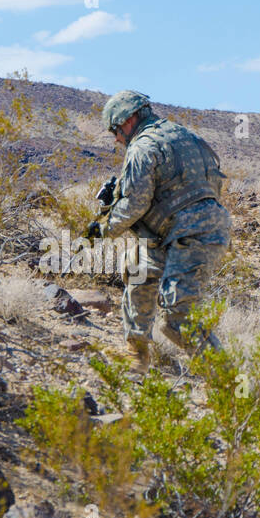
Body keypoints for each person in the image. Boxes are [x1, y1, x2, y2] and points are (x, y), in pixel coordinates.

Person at [86, 90, 231, 367]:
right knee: (137, 270)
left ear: (128, 120)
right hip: (189, 231)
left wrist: (103, 230)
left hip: (191, 236)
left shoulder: (142, 146)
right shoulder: (185, 136)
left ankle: (230, 386)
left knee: (178, 320)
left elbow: (135, 204)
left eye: (115, 130)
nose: (116, 138)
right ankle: (137, 358)